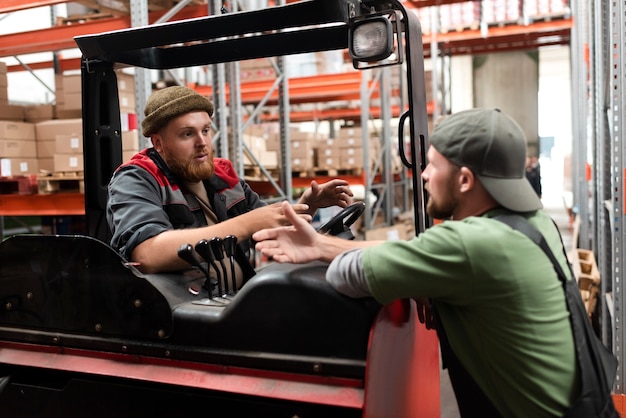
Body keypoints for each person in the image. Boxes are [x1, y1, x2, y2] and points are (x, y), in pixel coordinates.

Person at [253, 108, 578, 417]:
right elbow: (430, 256)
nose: (422, 174)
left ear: (464, 180)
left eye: (433, 165)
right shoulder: (535, 222)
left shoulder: (468, 245)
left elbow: (346, 274)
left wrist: (319, 246)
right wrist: (425, 277)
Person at [106, 85, 354, 288]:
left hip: (235, 298)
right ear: (158, 143)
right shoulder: (137, 179)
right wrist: (247, 223)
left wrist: (305, 207)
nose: (202, 143)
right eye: (187, 134)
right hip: (182, 310)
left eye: (205, 130)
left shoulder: (223, 177)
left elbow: (268, 231)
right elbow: (148, 253)